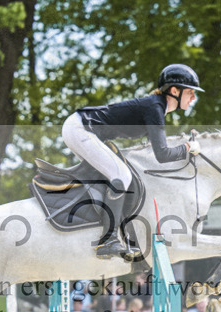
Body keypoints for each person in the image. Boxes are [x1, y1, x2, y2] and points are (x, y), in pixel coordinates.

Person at [63, 64, 203, 260]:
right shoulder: (155, 107)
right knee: (121, 175)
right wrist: (187, 149)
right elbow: (162, 155)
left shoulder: (156, 107)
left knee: (125, 176)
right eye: (190, 92)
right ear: (174, 91)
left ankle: (118, 233)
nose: (194, 98)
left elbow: (156, 149)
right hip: (80, 129)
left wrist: (184, 147)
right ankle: (108, 239)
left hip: (83, 129)